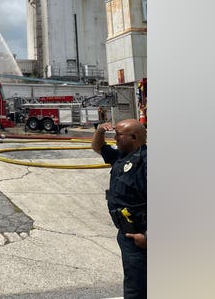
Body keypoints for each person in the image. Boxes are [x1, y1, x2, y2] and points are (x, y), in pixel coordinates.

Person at [92, 118, 147, 298]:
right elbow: (98, 147)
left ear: (134, 137)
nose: (114, 138)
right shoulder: (122, 155)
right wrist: (100, 131)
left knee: (136, 289)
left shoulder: (146, 162)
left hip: (140, 238)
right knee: (134, 281)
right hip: (126, 232)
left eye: (118, 135)